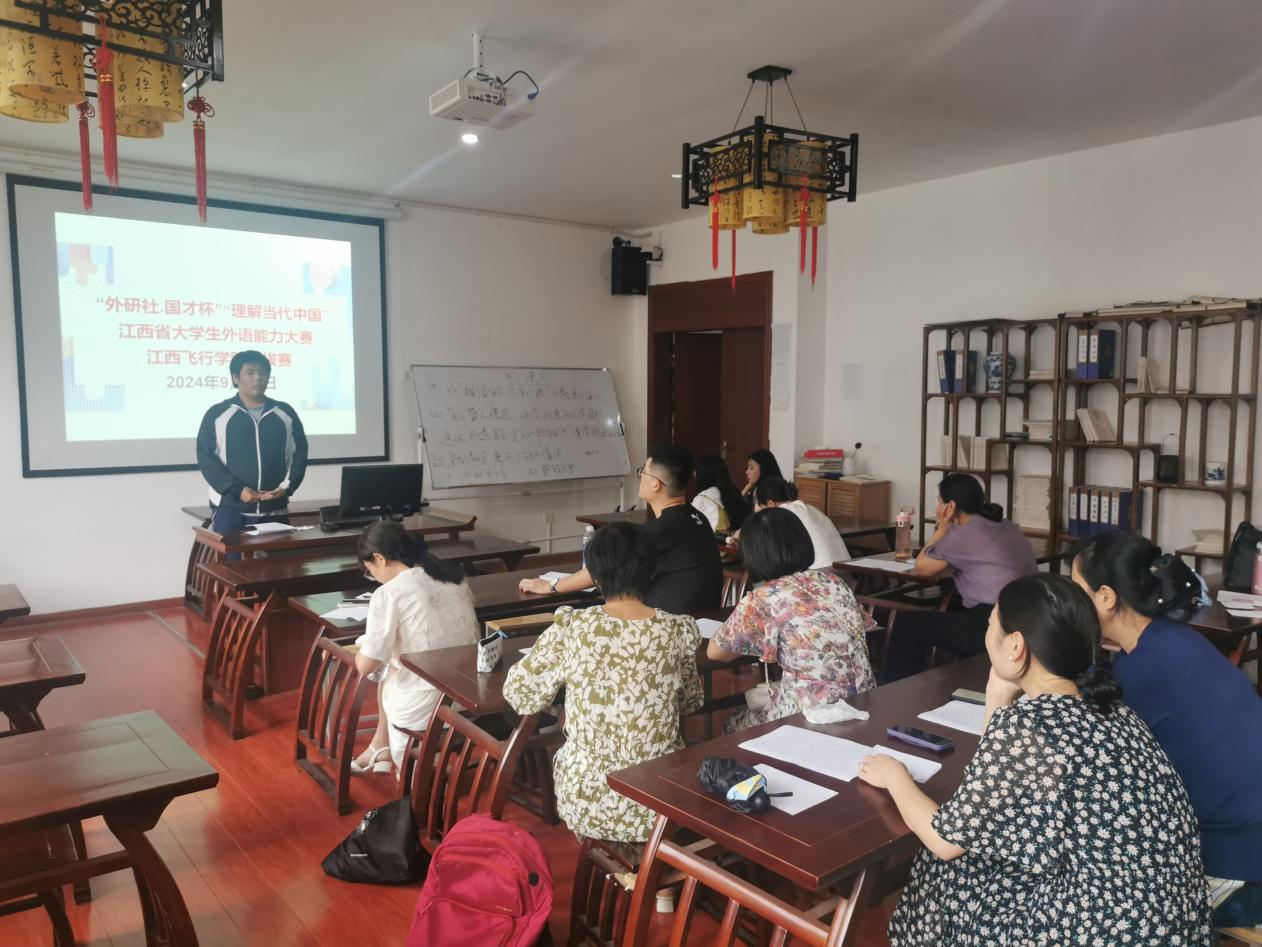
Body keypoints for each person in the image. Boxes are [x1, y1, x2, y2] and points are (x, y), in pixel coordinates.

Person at [859, 573, 1212, 946]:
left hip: (1106, 927)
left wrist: (894, 775)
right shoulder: (1112, 707)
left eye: (991, 625)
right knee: (979, 849)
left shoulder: (1030, 725)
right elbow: (994, 784)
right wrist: (998, 695)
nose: (987, 634)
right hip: (1168, 919)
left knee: (948, 867)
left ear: (1015, 645)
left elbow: (946, 840)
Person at [1073, 531, 1262, 927]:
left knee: (1092, 893)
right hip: (1247, 839)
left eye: (1078, 590)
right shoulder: (1177, 640)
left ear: (1106, 597)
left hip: (1243, 870)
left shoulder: (1141, 672)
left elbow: (1106, 782)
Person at [504, 522, 703, 842]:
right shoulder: (678, 630)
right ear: (651, 571)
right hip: (659, 801)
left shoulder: (574, 626)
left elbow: (520, 694)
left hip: (586, 801)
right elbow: (691, 702)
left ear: (595, 576)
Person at [708, 508, 874, 732]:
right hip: (864, 698)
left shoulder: (763, 598)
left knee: (733, 721)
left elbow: (715, 652)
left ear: (752, 554)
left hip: (810, 713)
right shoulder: (834, 582)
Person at [520, 444, 722, 612]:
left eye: (643, 471)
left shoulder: (663, 528)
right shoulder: (696, 517)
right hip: (703, 616)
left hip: (675, 626)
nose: (640, 477)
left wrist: (552, 586)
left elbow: (604, 569)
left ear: (656, 485)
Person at [350, 521, 480, 774]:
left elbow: (365, 666)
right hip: (467, 693)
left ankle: (415, 766)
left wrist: (363, 645)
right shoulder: (454, 578)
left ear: (379, 559)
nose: (373, 577)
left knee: (386, 668)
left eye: (369, 570)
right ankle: (382, 747)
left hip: (423, 705)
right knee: (392, 667)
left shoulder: (389, 593)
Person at [883, 474, 1037, 681]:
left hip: (994, 625)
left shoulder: (964, 532)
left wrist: (942, 527)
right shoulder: (1006, 525)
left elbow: (921, 568)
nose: (937, 507)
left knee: (907, 624)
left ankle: (896, 688)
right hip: (1029, 620)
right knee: (950, 607)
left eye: (939, 502)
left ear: (950, 506)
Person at [195, 350, 308, 536]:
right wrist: (237, 490)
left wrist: (285, 487)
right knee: (232, 556)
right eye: (250, 372)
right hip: (230, 510)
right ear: (235, 378)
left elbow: (299, 455)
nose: (257, 378)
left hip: (274, 509)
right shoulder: (218, 414)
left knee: (277, 555)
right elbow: (206, 458)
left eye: (263, 373)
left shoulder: (285, 413)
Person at [751, 477, 849, 568]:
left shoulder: (782, 513)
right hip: (846, 572)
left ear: (770, 504)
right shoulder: (807, 507)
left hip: (822, 576)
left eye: (761, 506)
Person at [691, 454, 747, 534]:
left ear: (703, 474)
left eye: (697, 470)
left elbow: (693, 529)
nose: (694, 473)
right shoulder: (732, 491)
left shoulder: (701, 498)